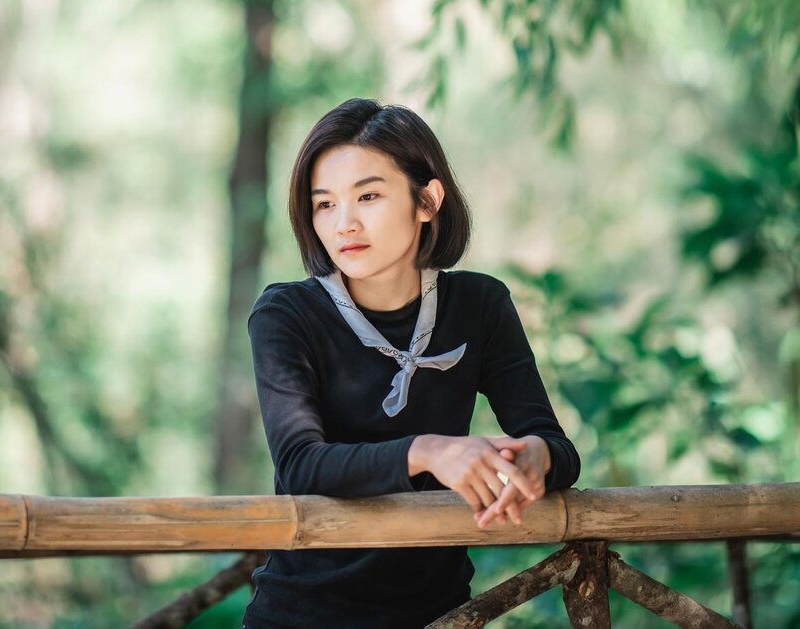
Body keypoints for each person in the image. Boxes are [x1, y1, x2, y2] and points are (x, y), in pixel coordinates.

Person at [242, 98, 582, 628]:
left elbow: (556, 445)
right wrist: (427, 452)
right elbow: (302, 464)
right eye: (324, 204)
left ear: (427, 200)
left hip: (439, 616)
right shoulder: (286, 314)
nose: (344, 223)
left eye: (368, 196)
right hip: (302, 616)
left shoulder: (480, 305)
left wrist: (532, 458)